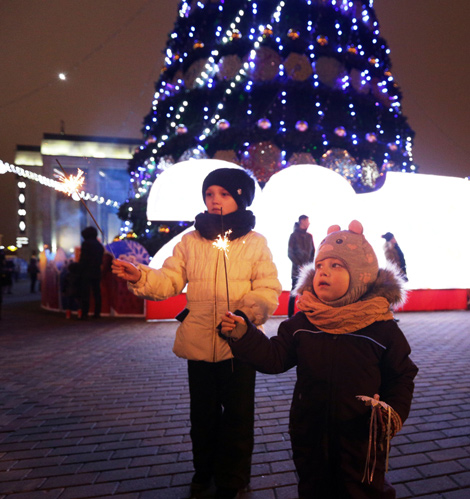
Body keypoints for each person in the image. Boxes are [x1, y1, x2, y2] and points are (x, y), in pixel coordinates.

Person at [112, 167, 281, 499]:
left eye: (223, 194)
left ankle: (233, 478)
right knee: (202, 417)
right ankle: (203, 471)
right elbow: (170, 279)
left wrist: (245, 316)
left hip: (239, 347)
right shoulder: (190, 241)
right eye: (209, 194)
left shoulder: (256, 243)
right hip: (199, 345)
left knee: (238, 416)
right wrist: (140, 276)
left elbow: (267, 288)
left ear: (241, 198)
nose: (215, 200)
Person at [220, 220, 418, 499]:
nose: (323, 272)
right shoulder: (303, 322)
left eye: (336, 266)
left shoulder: (381, 327)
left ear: (360, 275)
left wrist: (391, 413)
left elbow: (401, 375)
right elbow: (274, 358)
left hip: (361, 433)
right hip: (309, 430)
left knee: (363, 490)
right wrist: (245, 334)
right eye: (321, 266)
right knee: (313, 487)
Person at [287, 215, 315, 317]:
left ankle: (306, 315)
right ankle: (289, 316)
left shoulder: (309, 236)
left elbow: (313, 252)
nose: (309, 223)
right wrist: (299, 266)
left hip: (308, 271)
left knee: (307, 293)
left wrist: (309, 266)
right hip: (296, 271)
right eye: (307, 221)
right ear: (302, 221)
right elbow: (290, 253)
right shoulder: (293, 236)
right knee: (293, 293)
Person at [79, 226, 104, 319]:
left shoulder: (86, 244)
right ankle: (97, 313)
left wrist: (80, 268)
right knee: (96, 293)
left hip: (86, 271)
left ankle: (84, 313)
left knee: (85, 293)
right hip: (96, 271)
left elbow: (83, 259)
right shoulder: (99, 244)